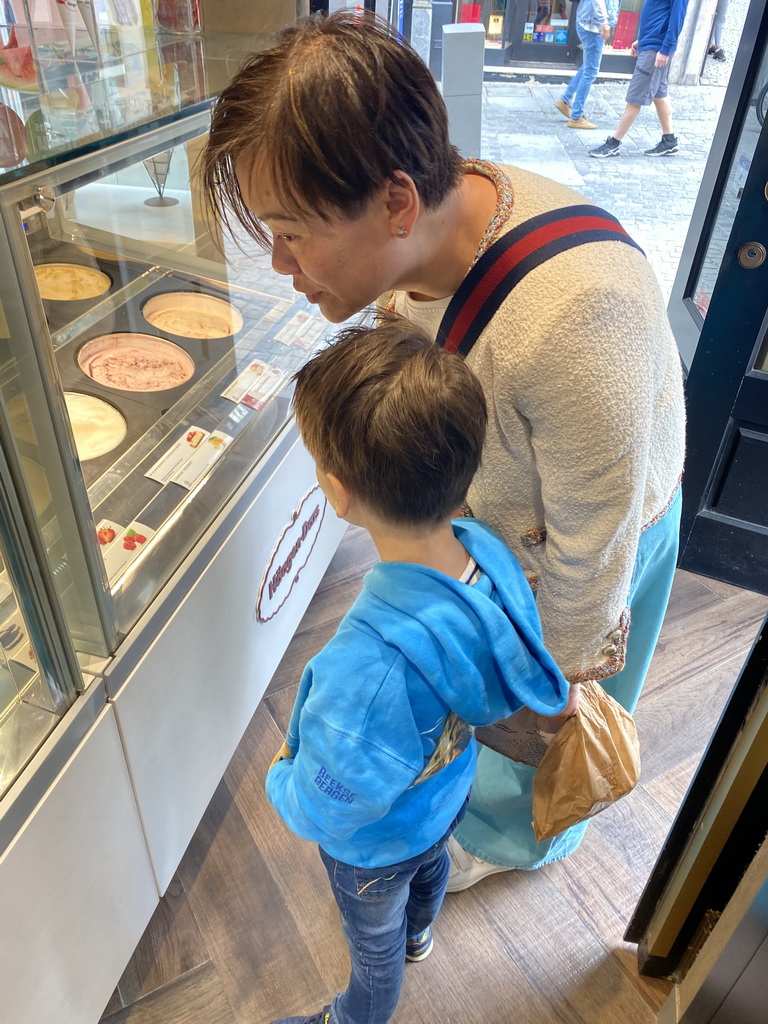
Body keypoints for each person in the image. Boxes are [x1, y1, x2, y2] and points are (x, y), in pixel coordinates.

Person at [202, 11, 685, 895]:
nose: (278, 262)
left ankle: (508, 840)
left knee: (534, 719)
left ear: (394, 201)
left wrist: (552, 682)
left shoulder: (580, 313)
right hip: (490, 513)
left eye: (293, 230)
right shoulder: (421, 238)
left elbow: (597, 538)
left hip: (588, 534)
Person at [263, 319, 570, 1024]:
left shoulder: (369, 670)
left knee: (374, 957)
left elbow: (330, 805)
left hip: (372, 848)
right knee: (432, 862)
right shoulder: (487, 557)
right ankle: (423, 931)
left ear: (338, 495)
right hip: (444, 796)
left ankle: (353, 1019)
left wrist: (282, 777)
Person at [589, 0, 690, 158]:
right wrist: (642, 40)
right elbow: (656, 12)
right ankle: (669, 140)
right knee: (659, 95)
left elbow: (677, 18)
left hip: (655, 49)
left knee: (635, 98)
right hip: (651, 45)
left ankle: (613, 144)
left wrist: (665, 49)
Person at [554, 0, 619, 130]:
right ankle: (576, 117)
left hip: (590, 23)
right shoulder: (598, 24)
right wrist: (604, 23)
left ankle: (565, 101)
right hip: (593, 26)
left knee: (588, 67)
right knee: (590, 71)